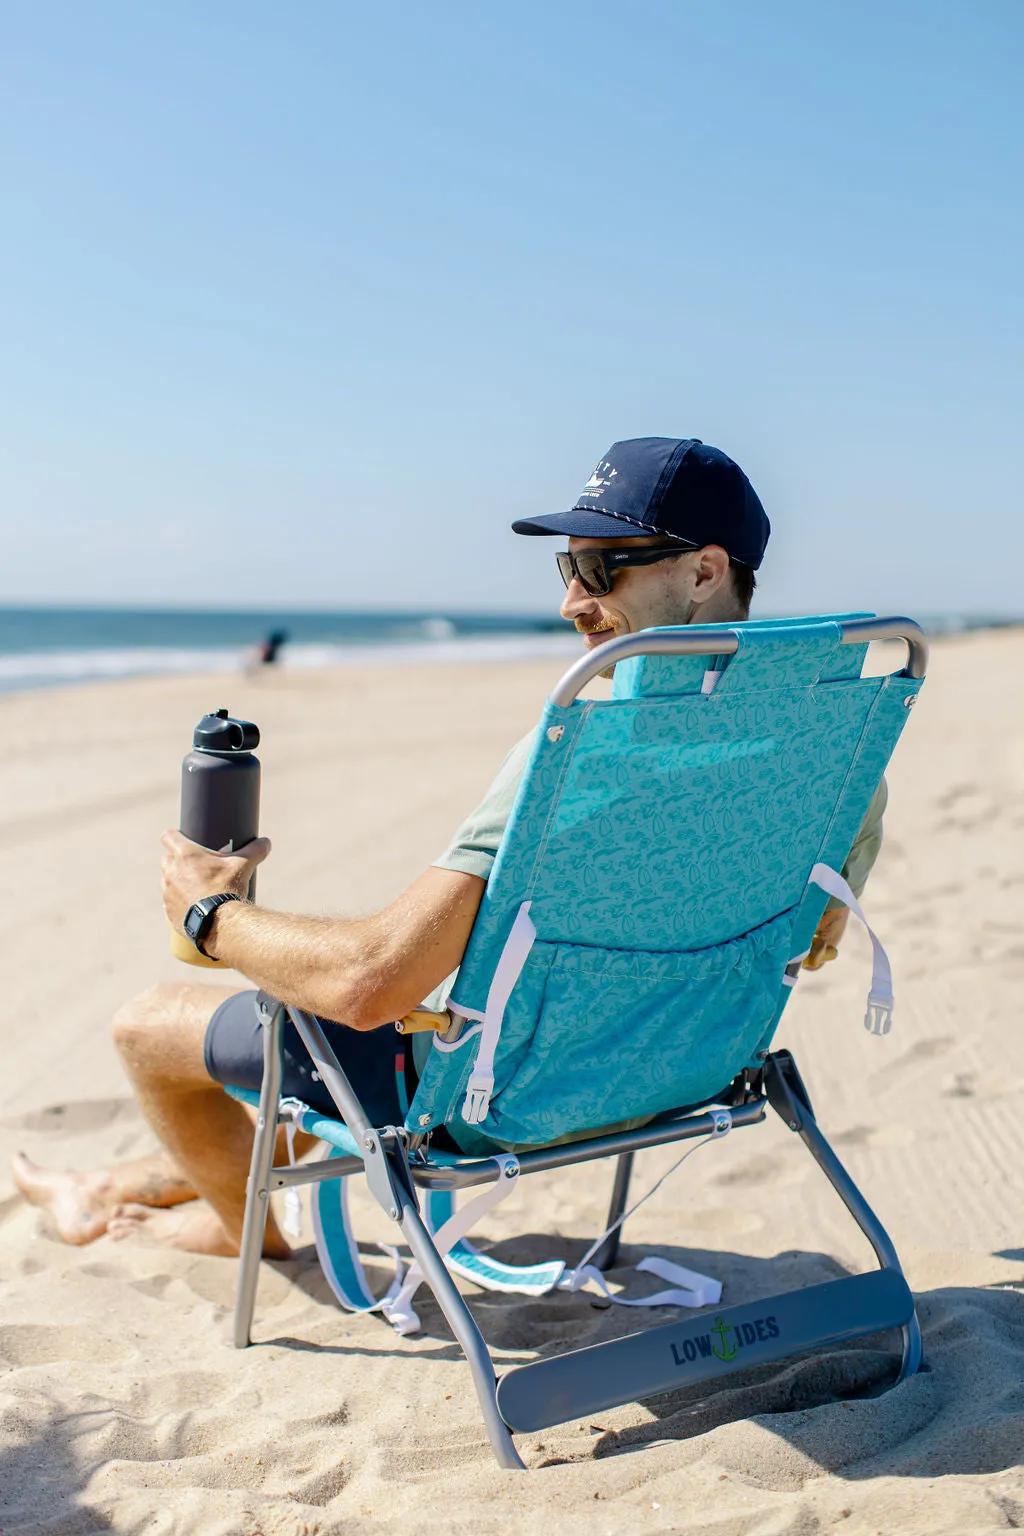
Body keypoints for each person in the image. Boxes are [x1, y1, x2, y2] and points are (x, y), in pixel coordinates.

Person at [13, 437, 880, 1258]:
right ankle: (141, 1178)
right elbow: (802, 943)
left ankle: (244, 1235)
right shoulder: (838, 751)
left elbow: (369, 984)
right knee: (302, 1046)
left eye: (598, 568)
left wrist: (210, 912)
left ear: (703, 570)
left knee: (149, 1027)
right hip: (684, 1069)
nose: (571, 601)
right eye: (565, 567)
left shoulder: (594, 750)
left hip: (498, 1097)